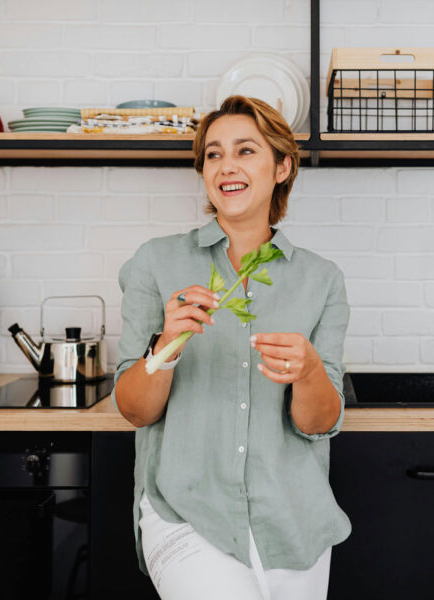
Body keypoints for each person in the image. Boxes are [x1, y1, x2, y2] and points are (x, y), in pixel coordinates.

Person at [112, 95, 351, 600]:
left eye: (246, 150)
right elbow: (134, 410)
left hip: (294, 521)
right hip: (186, 513)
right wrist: (167, 345)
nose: (226, 166)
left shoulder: (322, 280)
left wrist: (309, 372)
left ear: (282, 167)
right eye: (213, 154)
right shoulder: (155, 263)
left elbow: (319, 423)